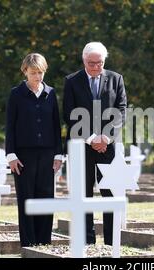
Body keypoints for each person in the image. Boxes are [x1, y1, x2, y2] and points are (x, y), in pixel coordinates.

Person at [63, 42, 127, 245]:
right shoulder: (72, 81)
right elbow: (70, 114)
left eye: (99, 63)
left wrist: (106, 138)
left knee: (111, 193)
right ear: (84, 61)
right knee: (84, 194)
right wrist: (91, 139)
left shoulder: (116, 79)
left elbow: (122, 110)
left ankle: (111, 242)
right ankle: (87, 242)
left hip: (108, 147)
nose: (96, 67)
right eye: (92, 63)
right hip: (82, 147)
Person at [5, 53, 63, 247]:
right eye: (33, 73)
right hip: (23, 157)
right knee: (27, 200)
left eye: (40, 72)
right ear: (25, 71)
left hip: (48, 155)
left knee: (46, 198)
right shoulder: (16, 94)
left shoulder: (51, 93)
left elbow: (56, 125)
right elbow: (10, 126)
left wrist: (58, 154)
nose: (37, 77)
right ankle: (29, 246)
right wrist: (11, 155)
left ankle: (44, 244)